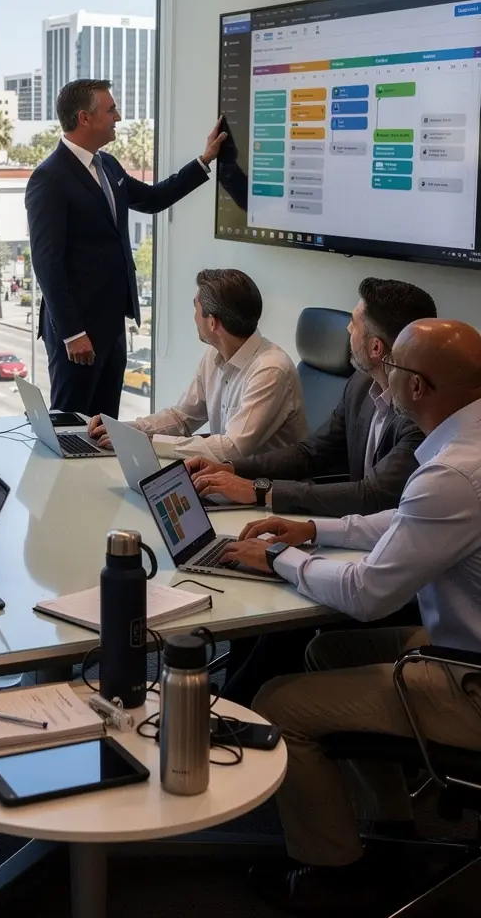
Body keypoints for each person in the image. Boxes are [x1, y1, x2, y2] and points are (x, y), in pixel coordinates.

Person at [220, 319, 481, 916]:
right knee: (325, 652)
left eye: (393, 372)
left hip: (470, 679)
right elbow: (399, 523)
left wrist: (279, 557)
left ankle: (336, 877)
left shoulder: (451, 473)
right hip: (461, 644)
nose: (382, 380)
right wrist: (310, 529)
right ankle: (386, 823)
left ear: (417, 387)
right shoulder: (466, 447)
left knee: (280, 704)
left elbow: (368, 593)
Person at [186, 277, 438, 704]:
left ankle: (232, 711)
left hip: (396, 574)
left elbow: (374, 495)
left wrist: (262, 492)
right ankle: (231, 703)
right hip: (354, 540)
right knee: (268, 595)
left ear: (376, 348)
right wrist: (232, 469)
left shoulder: (419, 415)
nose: (346, 331)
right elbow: (312, 452)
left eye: (355, 323)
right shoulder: (361, 387)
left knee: (283, 608)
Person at [25, 78, 226, 416]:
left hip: (112, 325)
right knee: (71, 423)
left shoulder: (108, 165)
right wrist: (73, 333)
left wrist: (204, 160)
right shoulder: (49, 178)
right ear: (84, 118)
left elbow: (153, 198)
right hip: (78, 331)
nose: (118, 116)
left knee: (105, 426)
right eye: (111, 109)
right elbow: (47, 263)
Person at [88, 268, 306, 459]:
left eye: (196, 308)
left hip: (266, 491)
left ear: (213, 322)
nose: (193, 317)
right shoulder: (214, 353)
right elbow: (182, 418)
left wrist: (149, 444)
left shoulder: (271, 370)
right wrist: (127, 431)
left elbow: (232, 449)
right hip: (226, 478)